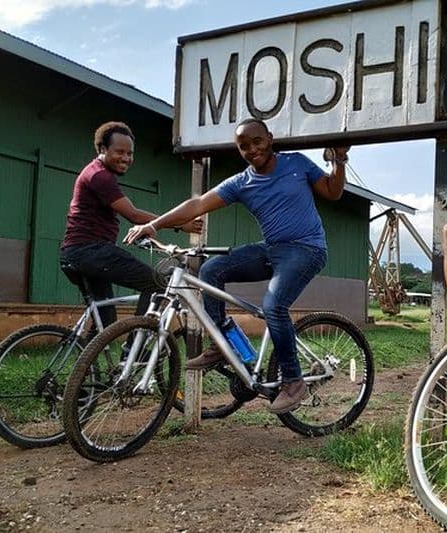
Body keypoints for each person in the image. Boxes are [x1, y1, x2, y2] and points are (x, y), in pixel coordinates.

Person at [124, 118, 349, 414]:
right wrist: (154, 224)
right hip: (271, 250)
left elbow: (333, 192)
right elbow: (198, 204)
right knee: (210, 270)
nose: (252, 150)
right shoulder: (242, 182)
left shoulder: (297, 163)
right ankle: (224, 344)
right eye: (244, 146)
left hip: (306, 249)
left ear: (269, 138)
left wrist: (340, 160)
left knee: (274, 306)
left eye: (257, 142)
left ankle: (294, 381)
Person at [60, 121, 201, 330]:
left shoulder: (95, 172)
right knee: (155, 284)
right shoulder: (100, 176)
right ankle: (134, 354)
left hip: (76, 252)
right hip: (90, 250)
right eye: (119, 152)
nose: (126, 158)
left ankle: (88, 361)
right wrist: (181, 224)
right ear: (102, 149)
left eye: (130, 153)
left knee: (105, 321)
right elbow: (133, 215)